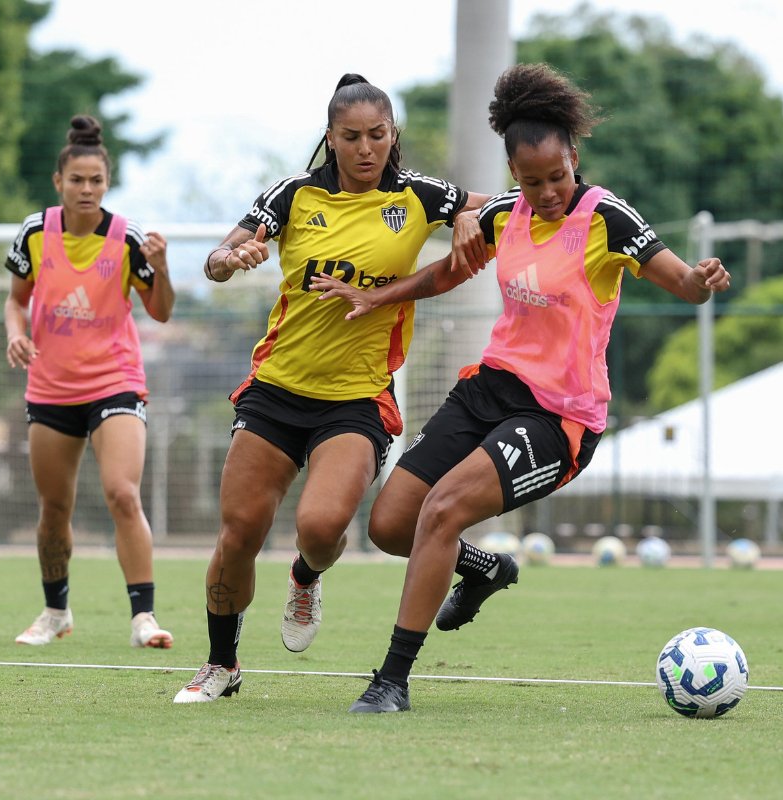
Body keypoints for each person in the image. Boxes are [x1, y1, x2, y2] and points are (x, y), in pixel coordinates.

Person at [312, 62, 731, 713]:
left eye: (557, 176)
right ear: (513, 175)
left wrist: (702, 280)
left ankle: (391, 679)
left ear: (574, 157)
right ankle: (483, 569)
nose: (547, 192)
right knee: (391, 525)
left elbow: (681, 282)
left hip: (560, 417)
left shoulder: (605, 217)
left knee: (443, 510)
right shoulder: (506, 213)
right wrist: (378, 296)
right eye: (531, 181)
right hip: (490, 390)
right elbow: (449, 273)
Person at [173, 74, 491, 704]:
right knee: (238, 532)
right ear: (331, 138)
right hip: (276, 390)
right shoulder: (293, 195)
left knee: (320, 528)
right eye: (352, 137)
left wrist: (468, 216)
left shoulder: (418, 193)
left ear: (393, 135)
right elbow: (219, 255)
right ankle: (221, 664)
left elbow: (494, 203)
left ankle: (305, 575)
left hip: (355, 399)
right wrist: (229, 260)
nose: (366, 148)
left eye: (378, 135)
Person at [3, 114, 176, 648]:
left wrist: (163, 267)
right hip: (51, 388)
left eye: (95, 180)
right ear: (59, 182)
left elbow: (162, 311)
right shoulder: (35, 232)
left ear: (108, 183)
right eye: (76, 179)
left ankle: (143, 618)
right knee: (54, 509)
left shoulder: (128, 240)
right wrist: (15, 334)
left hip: (115, 382)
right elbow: (16, 300)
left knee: (123, 493)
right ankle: (56, 612)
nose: (86, 188)